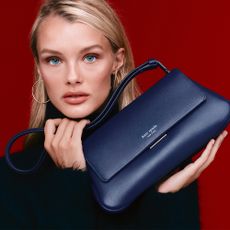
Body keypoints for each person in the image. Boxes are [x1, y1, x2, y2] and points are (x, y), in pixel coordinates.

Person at [0, 0, 228, 229]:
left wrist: (165, 199)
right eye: (54, 60)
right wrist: (71, 180)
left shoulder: (163, 158)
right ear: (39, 67)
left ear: (117, 61)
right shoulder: (10, 179)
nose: (72, 77)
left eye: (90, 57)